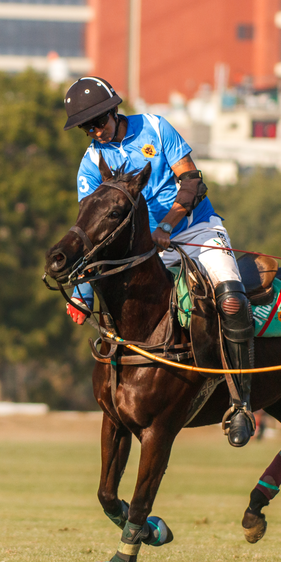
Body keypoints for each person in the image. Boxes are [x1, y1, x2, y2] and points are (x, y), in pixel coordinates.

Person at [63, 76, 254, 447]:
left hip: (197, 231)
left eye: (97, 122)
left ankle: (241, 402)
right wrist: (82, 292)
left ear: (113, 111)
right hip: (145, 252)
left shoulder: (154, 127)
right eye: (86, 128)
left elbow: (192, 181)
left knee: (231, 299)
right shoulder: (90, 164)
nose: (95, 132)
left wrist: (167, 224)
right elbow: (92, 231)